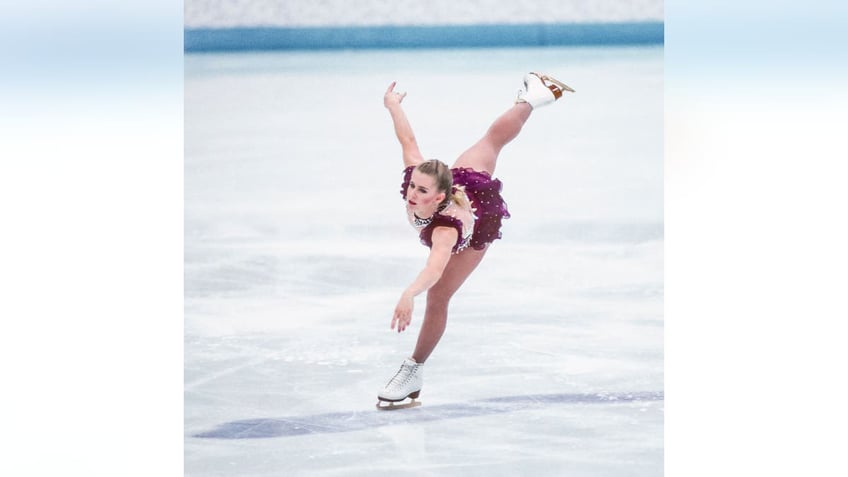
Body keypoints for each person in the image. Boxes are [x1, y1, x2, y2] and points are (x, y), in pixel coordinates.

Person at [376, 72, 574, 409]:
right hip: (467, 183)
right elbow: (407, 141)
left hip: (478, 221)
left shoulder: (446, 229)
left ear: (439, 197)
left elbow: (435, 268)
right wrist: (392, 105)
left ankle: (413, 370)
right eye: (412, 186)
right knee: (492, 140)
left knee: (437, 296)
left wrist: (409, 293)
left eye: (421, 191)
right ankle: (535, 95)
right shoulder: (421, 177)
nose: (411, 194)